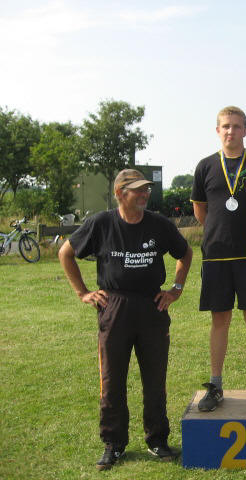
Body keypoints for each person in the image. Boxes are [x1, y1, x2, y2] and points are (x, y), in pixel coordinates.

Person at [58, 169, 193, 470]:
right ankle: (114, 444)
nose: (144, 194)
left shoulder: (159, 224)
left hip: (152, 306)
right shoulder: (101, 223)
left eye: (146, 189)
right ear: (120, 193)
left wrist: (175, 289)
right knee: (112, 380)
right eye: (137, 190)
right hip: (114, 306)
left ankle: (157, 440)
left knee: (155, 379)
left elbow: (185, 254)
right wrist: (82, 292)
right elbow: (66, 253)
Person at [191, 106, 246, 412]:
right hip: (216, 257)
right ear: (218, 130)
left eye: (237, 126)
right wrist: (217, 233)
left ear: (245, 130)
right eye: (226, 126)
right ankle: (216, 385)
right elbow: (200, 210)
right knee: (220, 320)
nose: (231, 131)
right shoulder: (205, 166)